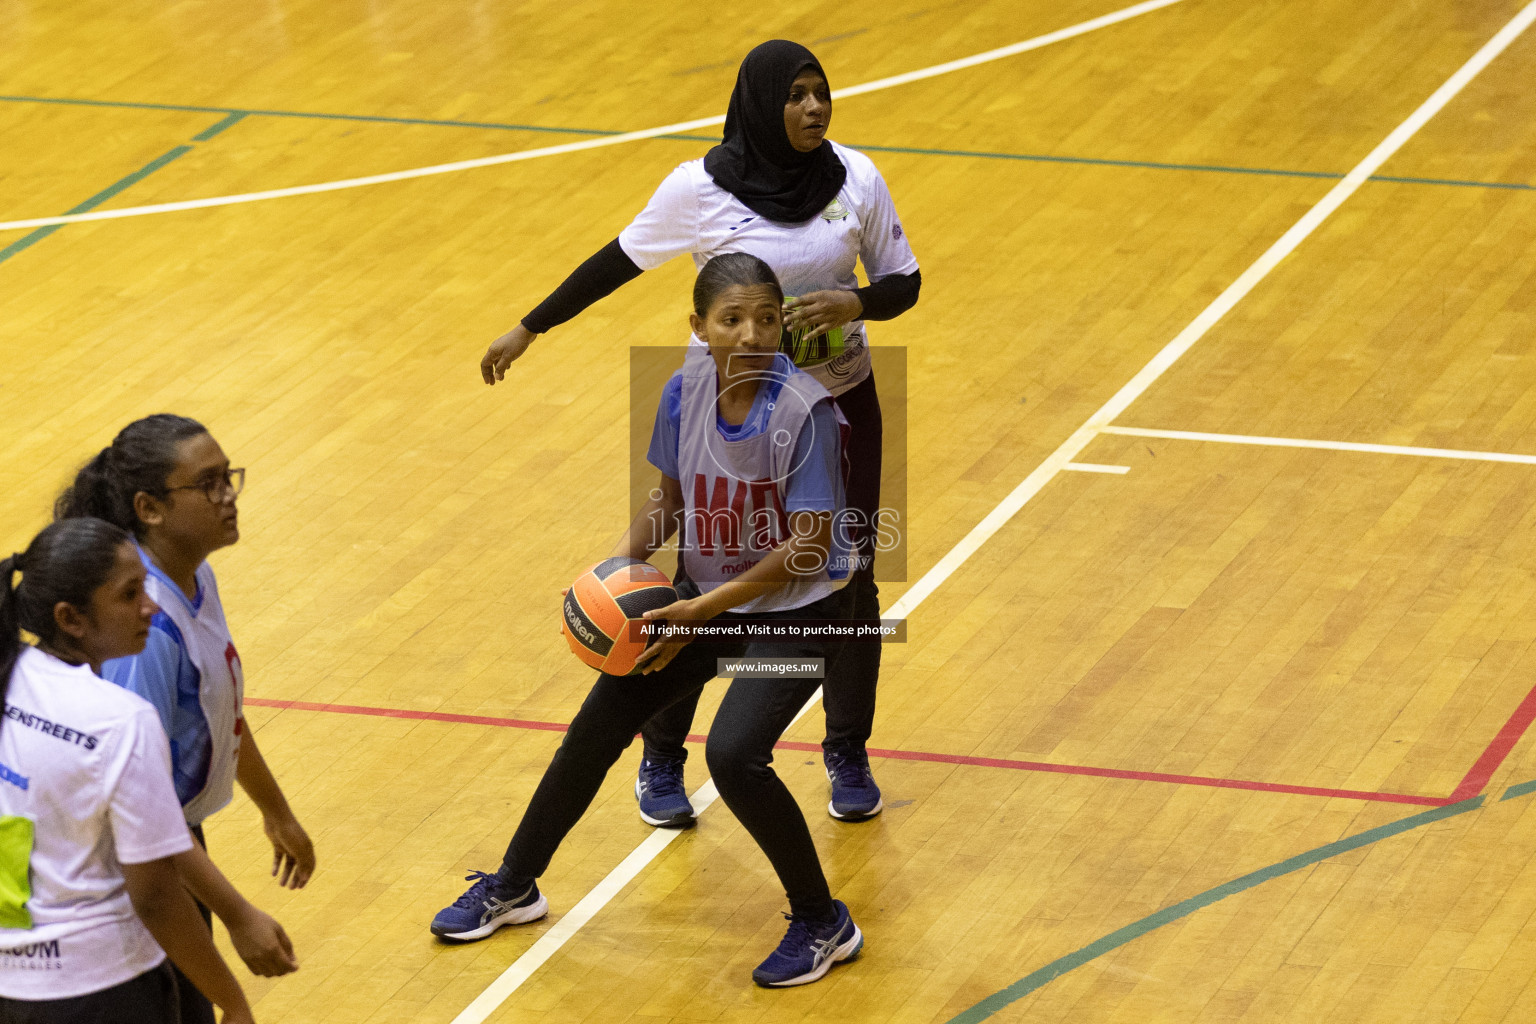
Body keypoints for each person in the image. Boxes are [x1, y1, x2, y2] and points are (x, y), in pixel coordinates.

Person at [479, 39, 920, 826]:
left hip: (837, 403)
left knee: (850, 585)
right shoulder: (699, 188)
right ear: (758, 104)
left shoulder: (857, 176)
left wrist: (858, 305)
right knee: (697, 574)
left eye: (821, 92)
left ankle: (846, 751)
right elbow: (616, 260)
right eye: (795, 96)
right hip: (728, 411)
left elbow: (905, 281)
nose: (814, 107)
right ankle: (660, 758)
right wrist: (530, 327)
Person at [435, 254, 863, 987]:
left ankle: (825, 922)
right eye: (732, 319)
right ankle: (514, 884)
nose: (752, 334)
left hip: (806, 613)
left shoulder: (806, 411)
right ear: (697, 327)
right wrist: (614, 574)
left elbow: (810, 548)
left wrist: (698, 610)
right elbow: (669, 500)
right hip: (709, 593)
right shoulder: (683, 391)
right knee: (597, 726)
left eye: (766, 318)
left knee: (734, 754)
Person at [55, 416, 312, 1024]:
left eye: (230, 478)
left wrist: (275, 809)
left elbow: (216, 712)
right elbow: (139, 812)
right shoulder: (145, 629)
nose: (228, 496)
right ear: (151, 507)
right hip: (126, 867)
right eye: (209, 484)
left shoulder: (192, 576)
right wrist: (238, 918)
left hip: (165, 844)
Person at [0, 518, 270, 1023]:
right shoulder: (119, 719)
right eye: (130, 594)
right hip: (102, 990)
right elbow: (156, 894)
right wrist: (230, 1000)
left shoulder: (9, 677)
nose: (149, 605)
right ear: (70, 618)